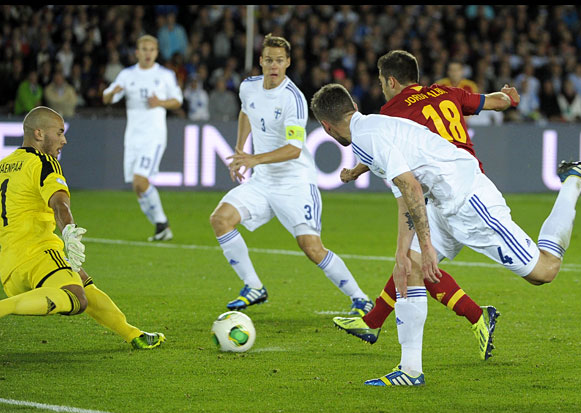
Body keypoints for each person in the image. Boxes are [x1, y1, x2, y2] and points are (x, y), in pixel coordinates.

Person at [310, 83, 581, 386]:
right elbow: (405, 194)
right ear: (352, 106)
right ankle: (410, 370)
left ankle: (573, 181)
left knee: (544, 271)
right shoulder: (374, 126)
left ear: (326, 126)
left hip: (469, 201)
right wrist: (403, 250)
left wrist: (425, 244)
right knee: (410, 266)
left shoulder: (367, 137)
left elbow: (411, 188)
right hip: (443, 201)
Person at [333, 50, 519, 361]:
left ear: (392, 81)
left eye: (381, 81)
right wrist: (510, 97)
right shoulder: (447, 92)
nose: (381, 87)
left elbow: (385, 149)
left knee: (415, 262)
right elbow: (497, 102)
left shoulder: (392, 111)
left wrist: (355, 170)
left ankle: (475, 317)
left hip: (445, 193)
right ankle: (372, 322)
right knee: (414, 260)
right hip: (472, 183)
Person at [209, 34, 374, 315]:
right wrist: (240, 149)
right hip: (263, 181)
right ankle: (253, 287)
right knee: (220, 219)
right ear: (261, 61)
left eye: (279, 60)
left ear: (288, 63)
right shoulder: (248, 87)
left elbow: (294, 149)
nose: (274, 65)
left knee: (311, 247)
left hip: (295, 183)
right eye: (269, 60)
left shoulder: (293, 98)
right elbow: (246, 112)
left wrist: (253, 158)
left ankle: (360, 298)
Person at [0, 106, 165, 350]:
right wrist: (69, 231)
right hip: (38, 255)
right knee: (77, 298)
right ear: (39, 134)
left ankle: (133, 334)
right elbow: (60, 203)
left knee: (83, 283)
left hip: (9, 268)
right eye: (59, 132)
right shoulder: (43, 162)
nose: (64, 140)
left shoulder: (4, 165)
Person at [102, 35, 183, 241]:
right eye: (144, 49)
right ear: (137, 53)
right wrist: (113, 93)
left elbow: (177, 100)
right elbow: (106, 97)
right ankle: (161, 227)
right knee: (137, 186)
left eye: (152, 49)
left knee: (141, 179)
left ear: (156, 52)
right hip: (132, 137)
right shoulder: (127, 75)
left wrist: (160, 102)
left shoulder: (165, 75)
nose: (148, 53)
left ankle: (162, 223)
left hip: (153, 136)